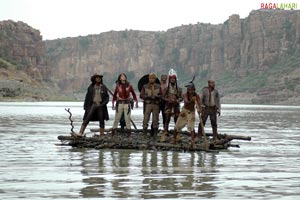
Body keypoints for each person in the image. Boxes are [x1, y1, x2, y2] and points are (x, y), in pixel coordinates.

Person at [172, 79, 201, 146]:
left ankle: (192, 141)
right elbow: (186, 102)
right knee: (177, 126)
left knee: (191, 127)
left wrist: (199, 109)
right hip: (184, 111)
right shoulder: (185, 94)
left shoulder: (197, 96)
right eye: (188, 89)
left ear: (194, 89)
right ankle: (174, 139)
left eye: (191, 89)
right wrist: (192, 100)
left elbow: (199, 104)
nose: (190, 91)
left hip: (191, 112)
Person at [160, 69, 183, 142]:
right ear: (169, 80)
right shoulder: (166, 89)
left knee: (177, 120)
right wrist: (168, 100)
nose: (172, 80)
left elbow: (181, 97)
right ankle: (165, 133)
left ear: (175, 80)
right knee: (167, 120)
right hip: (168, 106)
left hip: (176, 106)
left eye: (174, 79)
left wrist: (177, 100)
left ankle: (177, 134)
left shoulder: (179, 89)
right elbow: (162, 97)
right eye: (171, 79)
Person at [140, 73, 162, 140]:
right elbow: (141, 95)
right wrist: (147, 97)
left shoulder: (158, 86)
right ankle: (144, 134)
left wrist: (157, 97)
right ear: (148, 79)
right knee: (146, 119)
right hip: (148, 104)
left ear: (155, 79)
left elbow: (162, 95)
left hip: (156, 104)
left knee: (155, 119)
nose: (151, 79)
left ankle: (155, 134)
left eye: (152, 78)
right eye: (150, 78)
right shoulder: (145, 86)